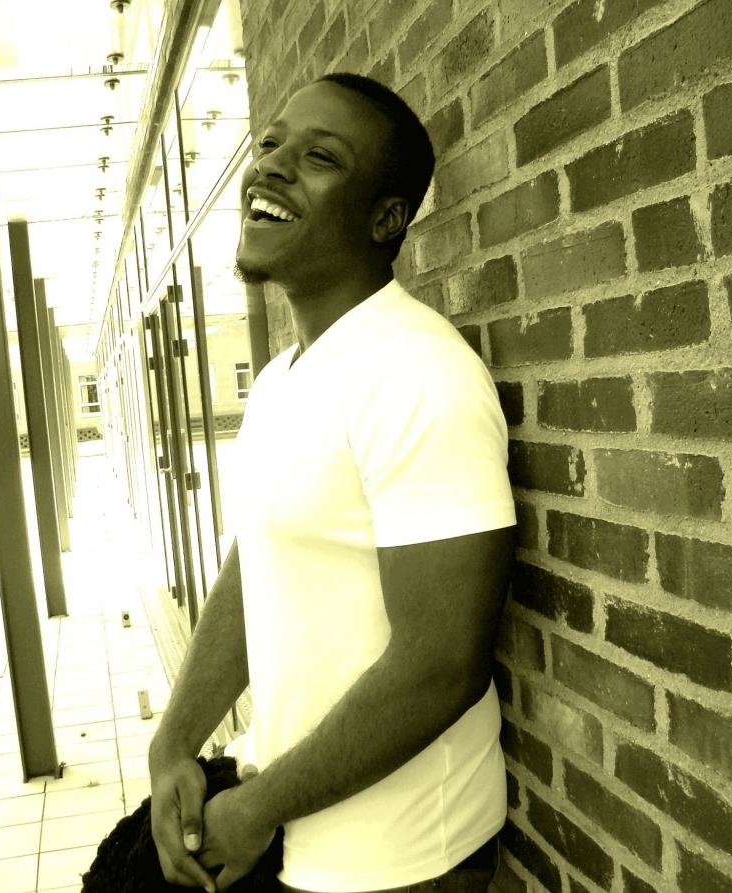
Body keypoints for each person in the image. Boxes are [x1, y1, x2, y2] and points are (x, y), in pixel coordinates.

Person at [147, 72, 516, 893]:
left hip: (406, 861)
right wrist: (173, 740)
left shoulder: (419, 373)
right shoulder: (279, 379)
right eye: (271, 143)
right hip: (300, 830)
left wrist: (256, 808)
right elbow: (259, 564)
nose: (271, 166)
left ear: (387, 219)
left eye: (320, 158)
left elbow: (442, 662)